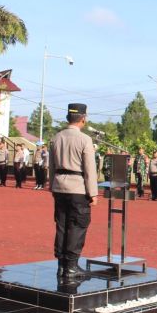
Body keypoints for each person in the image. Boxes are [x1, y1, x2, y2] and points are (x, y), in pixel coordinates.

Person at [49, 103, 98, 279]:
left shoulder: (56, 138)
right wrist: (93, 193)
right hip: (77, 188)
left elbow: (51, 166)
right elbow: (90, 169)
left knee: (61, 225)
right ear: (83, 119)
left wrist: (52, 186)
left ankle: (61, 266)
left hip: (59, 186)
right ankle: (71, 266)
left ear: (67, 118)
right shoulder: (85, 139)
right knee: (77, 225)